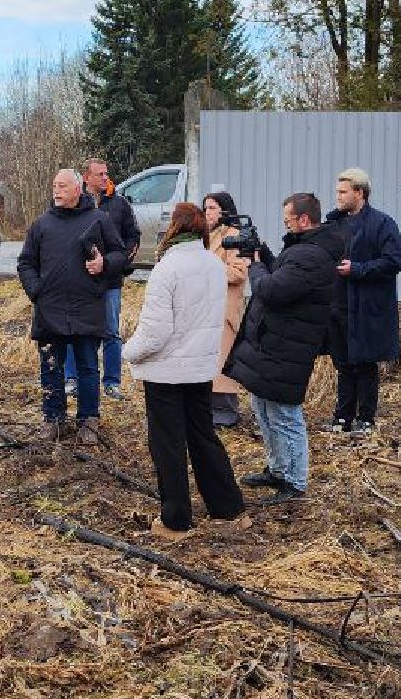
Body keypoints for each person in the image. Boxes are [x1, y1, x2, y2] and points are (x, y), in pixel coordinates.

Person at [124, 202, 251, 541]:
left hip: (165, 372)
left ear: (174, 229)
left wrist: (127, 352)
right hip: (199, 368)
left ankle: (176, 521)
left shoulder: (167, 269)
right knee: (203, 436)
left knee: (167, 444)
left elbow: (155, 333)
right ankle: (229, 508)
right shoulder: (212, 263)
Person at [223, 192, 346, 506]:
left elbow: (272, 288)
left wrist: (253, 264)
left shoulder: (312, 255)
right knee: (264, 408)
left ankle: (294, 480)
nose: (286, 225)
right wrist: (262, 250)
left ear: (304, 220)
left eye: (288, 220)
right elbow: (281, 271)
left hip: (289, 343)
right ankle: (278, 469)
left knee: (284, 413)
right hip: (277, 339)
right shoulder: (306, 249)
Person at [18, 168, 127, 444]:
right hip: (49, 310)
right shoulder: (41, 224)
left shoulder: (99, 220)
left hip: (86, 306)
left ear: (78, 190)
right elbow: (26, 263)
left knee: (88, 367)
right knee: (51, 367)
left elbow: (120, 254)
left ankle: (88, 420)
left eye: (63, 186)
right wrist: (36, 291)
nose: (57, 191)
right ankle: (53, 419)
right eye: (54, 185)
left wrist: (105, 264)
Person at [326, 168, 401, 436]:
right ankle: (343, 417)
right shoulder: (334, 224)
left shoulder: (383, 224)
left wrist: (358, 269)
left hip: (367, 307)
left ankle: (366, 419)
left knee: (365, 363)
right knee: (343, 363)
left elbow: (393, 262)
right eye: (337, 191)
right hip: (339, 304)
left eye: (343, 192)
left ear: (360, 193)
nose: (337, 196)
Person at [64, 157, 141, 400]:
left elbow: (133, 238)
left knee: (111, 331)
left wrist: (117, 263)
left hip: (110, 282)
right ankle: (71, 379)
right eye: (100, 174)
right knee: (72, 330)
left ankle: (111, 382)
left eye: (106, 173)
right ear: (86, 178)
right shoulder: (74, 204)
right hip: (79, 282)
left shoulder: (119, 205)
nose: (105, 178)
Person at [201, 192, 249, 428]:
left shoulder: (234, 236)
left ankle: (226, 412)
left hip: (224, 308)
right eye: (205, 208)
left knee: (223, 361)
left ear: (225, 211)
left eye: (211, 207)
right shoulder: (205, 237)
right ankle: (208, 410)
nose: (207, 212)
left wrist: (209, 269)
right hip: (205, 308)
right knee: (208, 361)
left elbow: (239, 272)